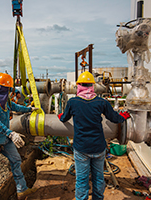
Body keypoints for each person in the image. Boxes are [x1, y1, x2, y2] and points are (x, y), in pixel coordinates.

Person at [57, 71, 130, 200]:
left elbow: (64, 118)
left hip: (81, 148)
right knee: (98, 178)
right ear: (92, 86)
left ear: (78, 86)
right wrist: (123, 116)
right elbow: (114, 118)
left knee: (82, 180)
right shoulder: (101, 102)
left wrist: (60, 116)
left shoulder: (73, 102)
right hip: (98, 147)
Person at [0, 73, 38, 200]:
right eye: (9, 89)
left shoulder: (5, 100)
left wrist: (29, 109)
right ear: (4, 89)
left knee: (16, 160)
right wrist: (11, 133)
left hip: (5, 138)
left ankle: (22, 190)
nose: (10, 91)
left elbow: (15, 107)